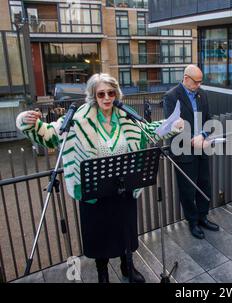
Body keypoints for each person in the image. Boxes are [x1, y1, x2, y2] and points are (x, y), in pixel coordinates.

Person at [15, 73, 184, 283]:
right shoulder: (78, 119)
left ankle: (127, 267)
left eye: (111, 93)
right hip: (94, 193)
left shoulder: (125, 114)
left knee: (126, 231)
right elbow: (50, 135)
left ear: (116, 94)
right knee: (99, 236)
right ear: (94, 96)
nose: (106, 97)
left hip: (123, 188)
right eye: (101, 93)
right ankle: (102, 273)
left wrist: (172, 125)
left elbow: (147, 130)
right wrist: (27, 122)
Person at [163, 65, 219, 240]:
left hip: (201, 147)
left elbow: (209, 118)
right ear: (186, 78)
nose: (199, 85)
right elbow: (172, 126)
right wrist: (190, 140)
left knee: (204, 184)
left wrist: (202, 135)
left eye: (201, 82)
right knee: (187, 189)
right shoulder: (171, 96)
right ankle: (193, 222)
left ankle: (203, 217)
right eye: (196, 82)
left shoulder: (202, 94)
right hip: (183, 150)